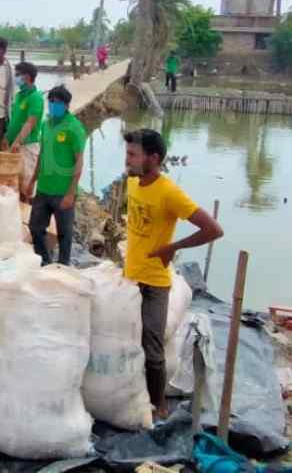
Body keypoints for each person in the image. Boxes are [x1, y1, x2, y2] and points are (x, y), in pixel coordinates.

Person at [122, 129, 222, 418]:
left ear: (153, 158)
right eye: (127, 154)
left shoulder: (169, 192)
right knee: (126, 340)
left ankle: (159, 407)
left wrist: (172, 247)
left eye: (133, 155)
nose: (127, 160)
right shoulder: (133, 182)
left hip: (154, 282)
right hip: (129, 277)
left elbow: (213, 229)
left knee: (152, 348)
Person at [26, 85, 85, 266]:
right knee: (35, 228)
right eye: (50, 101)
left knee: (64, 234)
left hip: (63, 192)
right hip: (44, 188)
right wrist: (32, 181)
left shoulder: (74, 128)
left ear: (66, 105)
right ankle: (45, 261)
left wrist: (70, 193)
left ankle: (64, 267)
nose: (53, 105)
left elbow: (79, 162)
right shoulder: (46, 124)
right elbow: (42, 154)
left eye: (57, 103)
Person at [3, 62, 43, 199]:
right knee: (13, 183)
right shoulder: (20, 96)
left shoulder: (36, 97)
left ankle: (29, 212)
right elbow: (14, 119)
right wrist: (7, 137)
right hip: (14, 143)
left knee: (27, 185)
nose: (16, 77)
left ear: (27, 76)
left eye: (18, 74)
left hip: (27, 145)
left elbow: (30, 122)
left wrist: (17, 141)